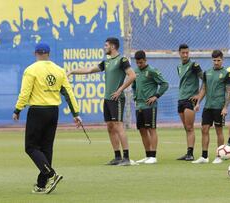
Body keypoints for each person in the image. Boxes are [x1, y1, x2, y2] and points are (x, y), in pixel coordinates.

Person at [12, 43, 82, 194]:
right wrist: (75, 114)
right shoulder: (59, 70)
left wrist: (18, 109)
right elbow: (68, 93)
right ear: (49, 54)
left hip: (37, 111)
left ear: (35, 53)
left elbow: (25, 93)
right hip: (53, 112)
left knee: (31, 147)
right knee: (46, 148)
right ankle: (41, 185)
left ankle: (51, 174)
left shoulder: (31, 70)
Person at [67, 37, 136, 165]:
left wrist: (120, 90)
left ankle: (126, 158)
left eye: (106, 45)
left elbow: (132, 75)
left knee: (118, 126)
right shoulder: (107, 62)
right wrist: (72, 71)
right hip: (107, 99)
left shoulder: (122, 60)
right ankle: (117, 157)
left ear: (113, 47)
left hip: (117, 99)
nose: (104, 47)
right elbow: (89, 70)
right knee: (110, 127)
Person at [192, 50, 230, 164]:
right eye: (214, 60)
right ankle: (204, 156)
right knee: (204, 129)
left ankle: (219, 156)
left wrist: (225, 107)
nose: (216, 62)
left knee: (219, 131)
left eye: (218, 60)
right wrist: (198, 102)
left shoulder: (226, 74)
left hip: (219, 106)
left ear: (222, 60)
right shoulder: (207, 73)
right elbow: (204, 88)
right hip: (208, 106)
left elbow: (229, 91)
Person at [132, 50, 169, 164]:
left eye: (141, 62)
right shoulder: (135, 72)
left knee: (151, 129)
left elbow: (165, 84)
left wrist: (156, 96)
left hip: (150, 106)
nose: (139, 65)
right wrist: (135, 97)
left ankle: (153, 156)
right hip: (139, 106)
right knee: (142, 130)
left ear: (145, 60)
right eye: (137, 63)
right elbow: (133, 86)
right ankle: (147, 155)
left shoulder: (152, 71)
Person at [176, 44, 203, 161]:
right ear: (179, 53)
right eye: (183, 53)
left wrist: (199, 96)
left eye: (187, 52)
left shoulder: (194, 65)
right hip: (181, 99)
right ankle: (188, 152)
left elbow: (205, 80)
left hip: (189, 100)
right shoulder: (179, 67)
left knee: (190, 127)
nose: (185, 55)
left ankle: (191, 154)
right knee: (186, 128)